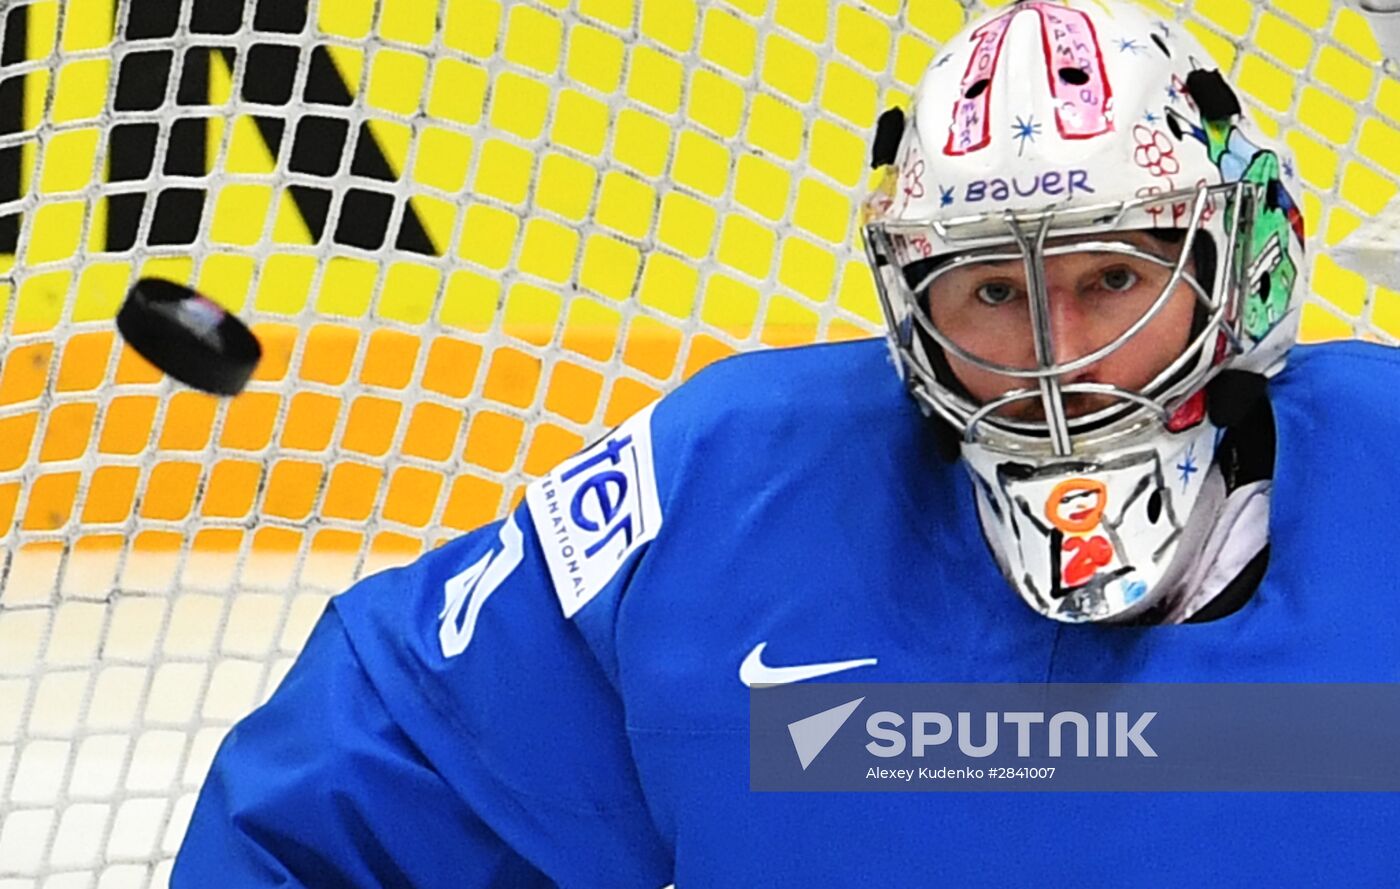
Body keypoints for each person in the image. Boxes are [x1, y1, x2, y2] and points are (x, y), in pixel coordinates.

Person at [173, 1, 1400, 885]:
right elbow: (359, 805)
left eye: (1112, 275)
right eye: (987, 290)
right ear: (907, 306)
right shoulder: (726, 495)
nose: (1052, 354)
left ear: (1232, 272)